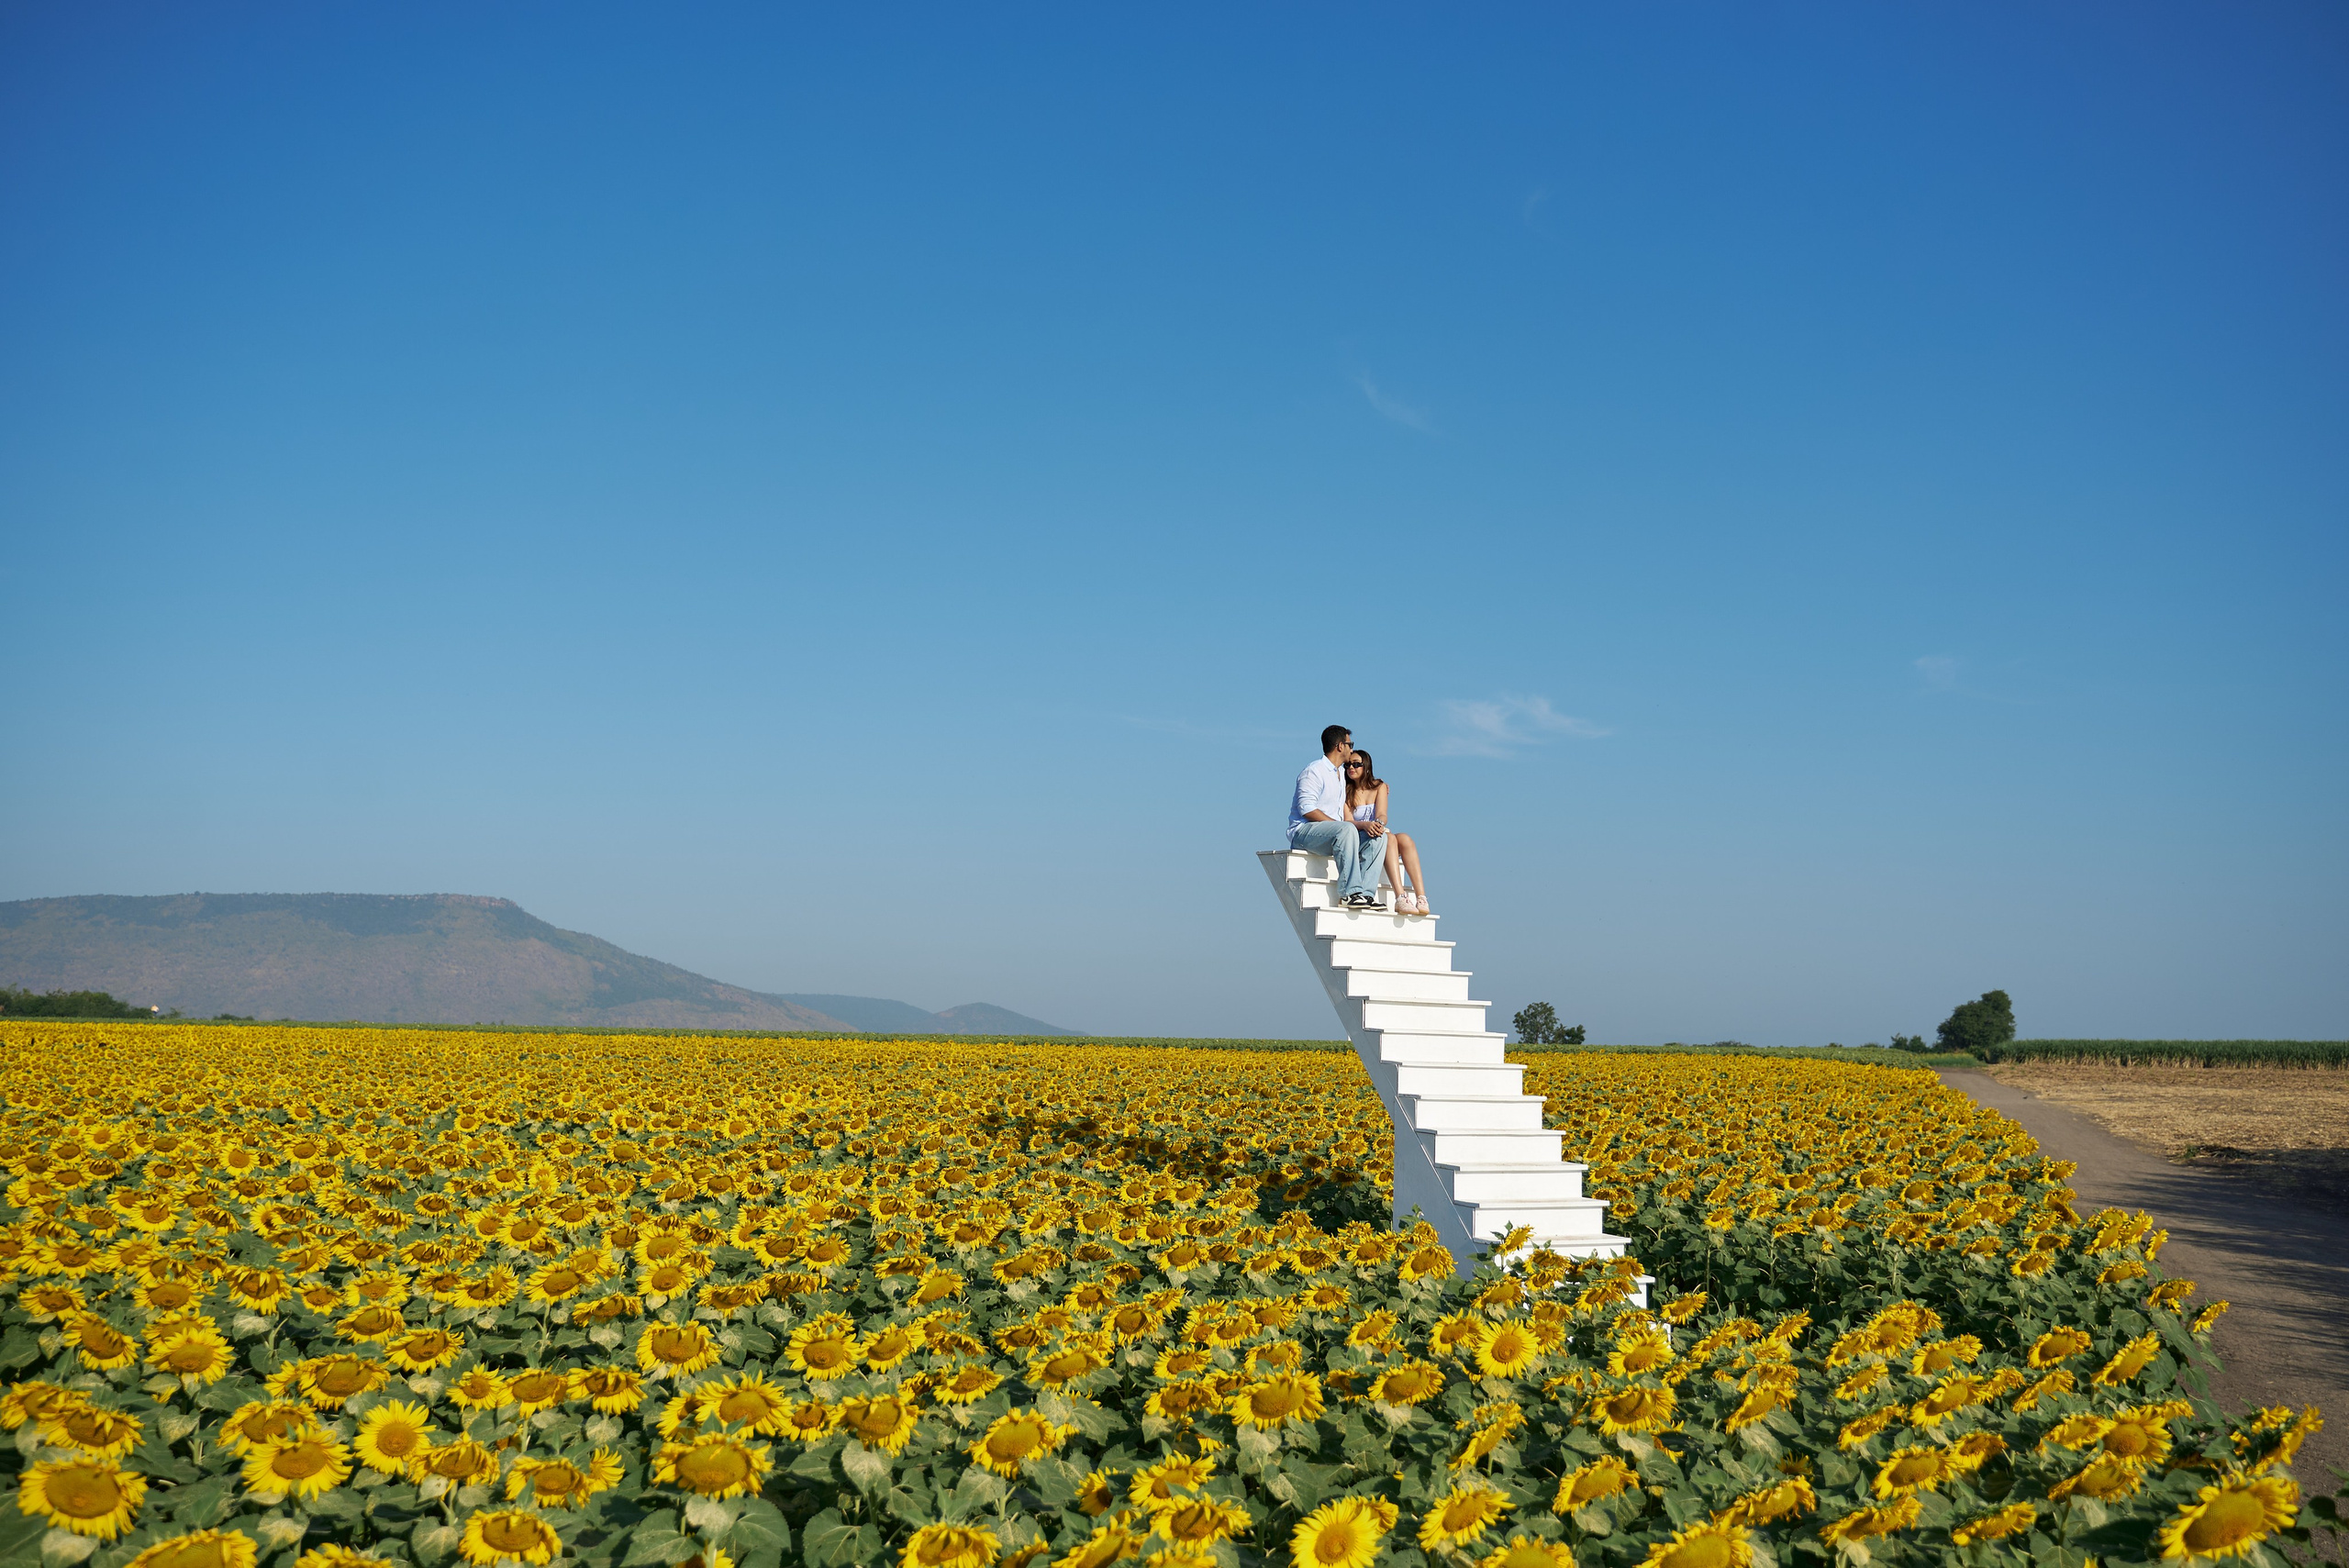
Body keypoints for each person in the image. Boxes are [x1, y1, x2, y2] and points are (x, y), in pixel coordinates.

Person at [1286, 725, 1386, 908]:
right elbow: (1306, 809)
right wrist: (1339, 826)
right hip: (1304, 833)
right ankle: (1349, 894)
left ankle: (1365, 894)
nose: (1352, 749)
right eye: (1350, 744)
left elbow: (1362, 785)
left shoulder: (1341, 772)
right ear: (1340, 746)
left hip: (1335, 835)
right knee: (1346, 829)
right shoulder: (1314, 771)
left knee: (1378, 838)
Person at [1345, 750, 1431, 917]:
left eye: (1356, 764)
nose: (1351, 768)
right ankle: (1400, 897)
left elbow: (1383, 814)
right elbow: (1348, 821)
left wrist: (1378, 824)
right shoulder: (1345, 792)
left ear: (1366, 767)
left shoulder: (1379, 786)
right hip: (1359, 837)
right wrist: (1365, 825)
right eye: (1348, 764)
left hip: (1376, 831)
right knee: (1388, 838)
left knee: (1405, 838)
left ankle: (1421, 897)